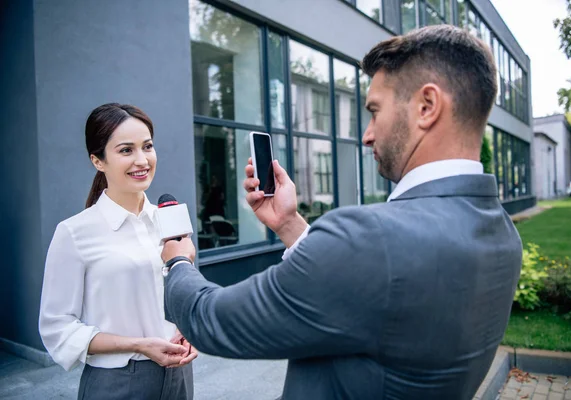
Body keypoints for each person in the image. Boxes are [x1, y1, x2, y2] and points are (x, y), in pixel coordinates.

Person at [161, 25, 522, 399]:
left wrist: (178, 264)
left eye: (374, 111)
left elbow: (215, 320)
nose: (367, 135)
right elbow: (372, 298)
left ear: (426, 107)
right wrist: (288, 223)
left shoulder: (371, 239)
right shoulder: (503, 234)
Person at [39, 103, 196, 400]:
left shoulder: (170, 221)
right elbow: (57, 327)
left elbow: (183, 296)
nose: (142, 160)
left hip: (180, 374)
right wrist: (138, 344)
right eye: (126, 150)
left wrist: (192, 329)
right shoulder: (74, 233)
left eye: (147, 146)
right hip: (118, 382)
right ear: (98, 161)